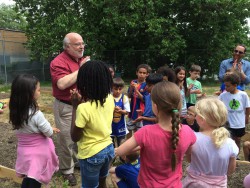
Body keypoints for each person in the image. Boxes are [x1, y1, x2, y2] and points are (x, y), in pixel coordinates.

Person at [116, 81, 196, 187]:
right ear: (179, 104)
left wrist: (140, 147)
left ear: (155, 106)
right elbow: (189, 154)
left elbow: (121, 151)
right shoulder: (188, 131)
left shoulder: (146, 132)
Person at [50, 32, 90, 185]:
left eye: (82, 43)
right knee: (66, 139)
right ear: (67, 47)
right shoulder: (58, 62)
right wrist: (82, 69)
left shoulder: (80, 59)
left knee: (81, 135)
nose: (82, 46)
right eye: (77, 44)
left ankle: (76, 161)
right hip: (66, 106)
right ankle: (67, 170)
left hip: (82, 105)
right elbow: (61, 84)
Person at [9, 74, 59, 188]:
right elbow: (48, 132)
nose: (40, 92)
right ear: (30, 94)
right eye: (39, 90)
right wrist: (51, 129)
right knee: (36, 180)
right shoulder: (36, 114)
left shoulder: (16, 111)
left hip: (24, 152)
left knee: (29, 176)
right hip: (38, 153)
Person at [70, 60, 115, 188]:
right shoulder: (109, 98)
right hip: (108, 149)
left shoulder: (83, 108)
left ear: (83, 83)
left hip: (91, 154)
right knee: (102, 182)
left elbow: (74, 137)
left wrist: (74, 107)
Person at [182, 97, 239, 187]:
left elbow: (189, 160)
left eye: (196, 114)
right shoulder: (230, 143)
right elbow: (230, 170)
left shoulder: (193, 138)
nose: (195, 116)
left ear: (201, 119)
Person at [218, 73, 250, 156]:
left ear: (235, 85)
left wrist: (247, 117)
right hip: (228, 123)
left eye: (228, 86)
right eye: (225, 85)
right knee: (227, 139)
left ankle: (236, 156)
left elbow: (247, 107)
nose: (225, 88)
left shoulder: (243, 95)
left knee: (237, 140)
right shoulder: (223, 95)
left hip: (239, 123)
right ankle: (227, 155)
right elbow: (217, 105)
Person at [127, 64, 149, 136]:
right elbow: (129, 96)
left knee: (139, 132)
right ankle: (129, 146)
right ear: (137, 73)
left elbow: (144, 100)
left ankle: (137, 146)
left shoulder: (146, 85)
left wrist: (136, 90)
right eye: (140, 72)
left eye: (144, 73)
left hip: (141, 112)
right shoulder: (133, 82)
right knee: (129, 129)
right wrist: (131, 88)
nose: (141, 74)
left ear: (147, 74)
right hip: (132, 111)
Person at [111, 77, 130, 147]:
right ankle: (112, 157)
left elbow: (127, 112)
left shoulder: (124, 98)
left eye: (120, 89)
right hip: (110, 126)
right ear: (112, 88)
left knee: (121, 144)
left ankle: (122, 157)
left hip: (121, 126)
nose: (118, 91)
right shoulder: (109, 97)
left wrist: (120, 111)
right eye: (115, 89)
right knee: (111, 144)